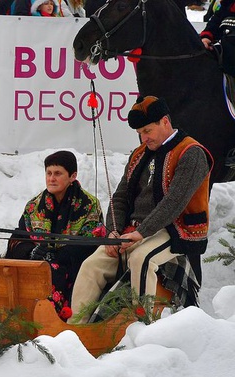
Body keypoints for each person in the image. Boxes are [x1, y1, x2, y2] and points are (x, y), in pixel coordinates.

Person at [69, 96, 213, 324]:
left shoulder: (191, 152)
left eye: (147, 130)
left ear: (165, 122)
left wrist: (140, 233)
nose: (143, 138)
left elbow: (174, 202)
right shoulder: (139, 154)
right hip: (133, 231)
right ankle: (77, 330)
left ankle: (141, 327)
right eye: (139, 133)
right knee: (91, 266)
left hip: (173, 229)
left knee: (141, 260)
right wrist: (113, 233)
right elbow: (120, 197)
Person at [5, 150, 105, 319]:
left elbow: (93, 241)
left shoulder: (89, 205)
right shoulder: (33, 206)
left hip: (72, 268)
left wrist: (58, 256)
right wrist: (31, 252)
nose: (51, 179)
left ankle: (50, 322)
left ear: (72, 176)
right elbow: (18, 238)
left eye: (58, 174)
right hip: (37, 266)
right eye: (48, 173)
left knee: (54, 272)